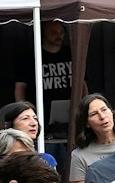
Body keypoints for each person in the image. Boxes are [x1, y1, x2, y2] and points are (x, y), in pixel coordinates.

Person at [14, 19, 74, 156]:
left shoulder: (71, 54)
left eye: (61, 32)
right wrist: (23, 111)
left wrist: (83, 106)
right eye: (53, 32)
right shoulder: (31, 57)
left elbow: (82, 83)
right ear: (44, 34)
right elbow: (20, 87)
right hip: (40, 117)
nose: (58, 35)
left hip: (69, 116)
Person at [68, 92, 115, 183]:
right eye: (94, 114)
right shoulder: (80, 155)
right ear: (86, 123)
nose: (102, 116)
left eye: (104, 109)